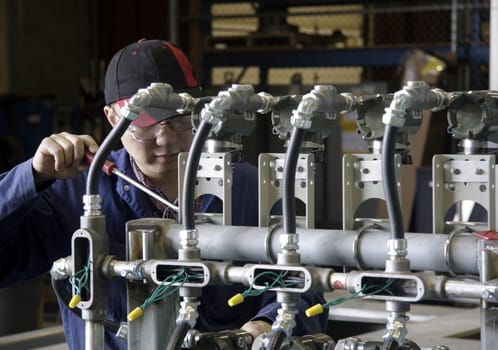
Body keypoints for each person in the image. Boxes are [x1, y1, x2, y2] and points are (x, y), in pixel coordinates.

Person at [0, 39, 327, 349]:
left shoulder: (252, 191)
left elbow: (306, 288)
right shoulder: (75, 194)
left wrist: (266, 325)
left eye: (180, 118)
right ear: (112, 118)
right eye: (144, 123)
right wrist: (31, 176)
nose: (166, 139)